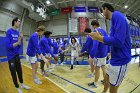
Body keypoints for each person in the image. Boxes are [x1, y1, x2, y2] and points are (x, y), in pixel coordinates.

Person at [89, 3, 131, 93]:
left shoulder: (117, 16)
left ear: (106, 8)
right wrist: (101, 39)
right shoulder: (113, 21)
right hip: (114, 59)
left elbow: (119, 42)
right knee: (106, 78)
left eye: (102, 11)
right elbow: (112, 40)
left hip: (121, 60)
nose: (102, 14)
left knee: (113, 88)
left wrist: (100, 38)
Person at [6, 17, 30, 93]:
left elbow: (19, 45)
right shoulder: (9, 32)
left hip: (17, 56)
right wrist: (18, 41)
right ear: (15, 22)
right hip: (11, 57)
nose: (20, 23)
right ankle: (17, 87)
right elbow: (8, 46)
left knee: (19, 71)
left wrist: (21, 38)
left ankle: (22, 84)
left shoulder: (17, 33)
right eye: (19, 21)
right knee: (13, 73)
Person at [87, 20, 108, 88]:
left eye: (92, 26)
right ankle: (105, 81)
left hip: (98, 54)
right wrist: (108, 52)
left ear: (93, 25)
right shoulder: (104, 31)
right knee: (103, 67)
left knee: (97, 69)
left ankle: (95, 84)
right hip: (104, 53)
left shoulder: (95, 32)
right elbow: (107, 42)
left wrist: (92, 55)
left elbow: (95, 45)